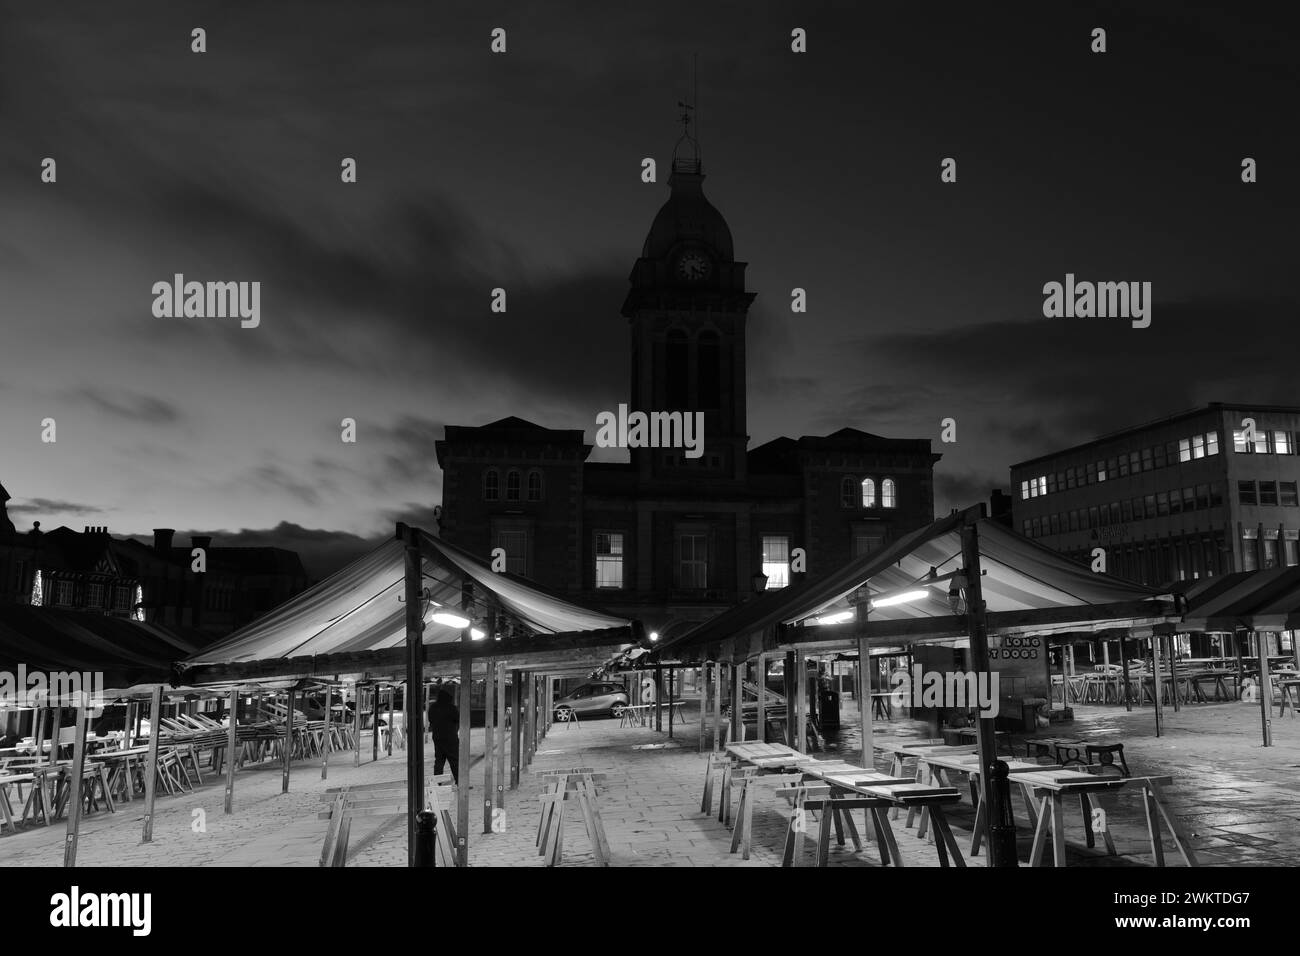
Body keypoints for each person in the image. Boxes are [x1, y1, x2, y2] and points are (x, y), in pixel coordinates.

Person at [427, 686, 460, 783]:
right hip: (451, 738)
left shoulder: (433, 708)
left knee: (439, 762)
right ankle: (459, 782)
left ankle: (438, 783)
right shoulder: (451, 708)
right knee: (454, 761)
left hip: (438, 738)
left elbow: (431, 720)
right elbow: (458, 719)